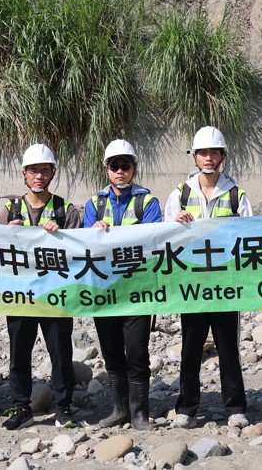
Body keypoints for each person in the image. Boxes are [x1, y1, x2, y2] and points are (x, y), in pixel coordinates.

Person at [164, 126, 254, 429]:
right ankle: (187, 408)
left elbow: (251, 237)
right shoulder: (180, 194)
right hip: (192, 286)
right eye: (203, 152)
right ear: (194, 156)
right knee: (190, 348)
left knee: (228, 348)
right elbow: (164, 237)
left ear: (223, 156)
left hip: (226, 286)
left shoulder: (237, 195)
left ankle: (235, 407)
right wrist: (176, 222)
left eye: (214, 152)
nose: (209, 158)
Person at [0, 143, 82, 430]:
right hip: (19, 294)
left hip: (55, 294)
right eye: (33, 170)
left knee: (60, 352)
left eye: (44, 171)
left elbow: (79, 252)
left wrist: (62, 236)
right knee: (19, 353)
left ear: (52, 173)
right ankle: (22, 407)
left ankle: (64, 407)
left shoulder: (65, 210)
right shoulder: (10, 209)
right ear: (24, 173)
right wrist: (8, 233)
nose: (39, 176)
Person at [83, 139, 162, 430]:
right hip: (105, 293)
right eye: (114, 166)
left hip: (138, 291)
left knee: (137, 352)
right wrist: (94, 231)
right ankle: (119, 410)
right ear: (107, 170)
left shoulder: (148, 203)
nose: (120, 171)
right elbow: (85, 244)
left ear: (134, 170)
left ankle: (139, 413)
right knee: (112, 353)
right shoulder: (93, 205)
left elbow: (150, 240)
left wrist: (113, 236)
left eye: (125, 166)